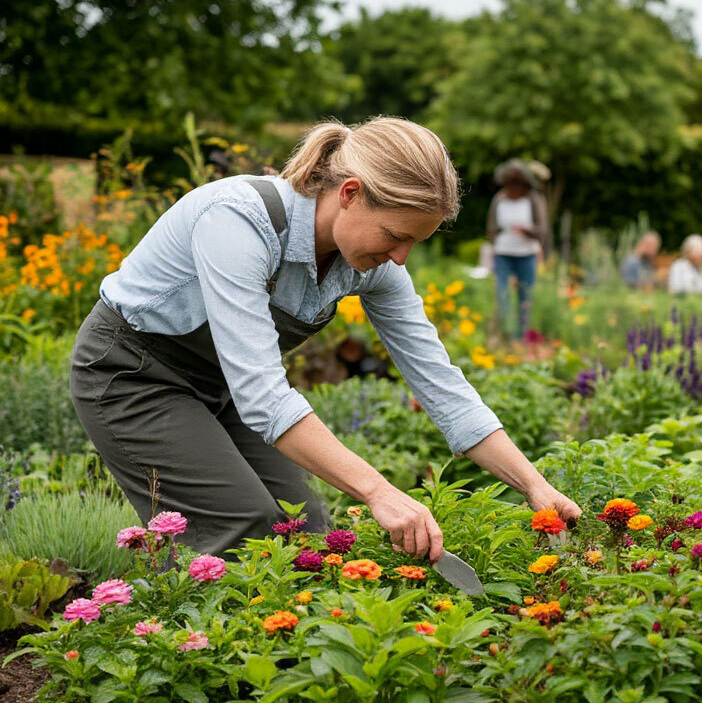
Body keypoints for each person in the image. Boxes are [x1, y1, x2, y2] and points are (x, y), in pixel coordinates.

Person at [70, 118, 580, 560]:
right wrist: (379, 492)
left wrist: (535, 486)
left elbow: (442, 387)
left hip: (223, 386)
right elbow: (263, 395)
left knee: (305, 529)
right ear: (350, 194)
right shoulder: (237, 221)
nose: (401, 257)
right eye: (394, 235)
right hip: (133, 376)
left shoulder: (373, 266)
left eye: (414, 243)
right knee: (241, 527)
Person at [485, 159, 551, 339]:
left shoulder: (533, 199)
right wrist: (494, 244)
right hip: (503, 252)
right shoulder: (499, 199)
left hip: (526, 253)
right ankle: (506, 332)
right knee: (503, 294)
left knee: (525, 295)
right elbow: (491, 228)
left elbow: (542, 230)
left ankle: (522, 335)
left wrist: (526, 230)